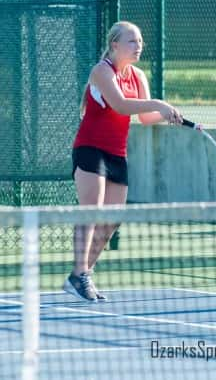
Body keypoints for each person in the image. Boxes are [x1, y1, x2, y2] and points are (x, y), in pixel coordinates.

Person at [63, 21, 182, 302]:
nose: (138, 45)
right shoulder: (101, 71)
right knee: (90, 212)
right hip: (90, 149)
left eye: (140, 41)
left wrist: (167, 115)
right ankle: (81, 274)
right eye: (132, 41)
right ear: (115, 44)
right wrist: (158, 104)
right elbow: (121, 105)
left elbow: (144, 117)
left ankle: (81, 275)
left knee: (112, 218)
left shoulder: (138, 75)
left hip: (117, 153)